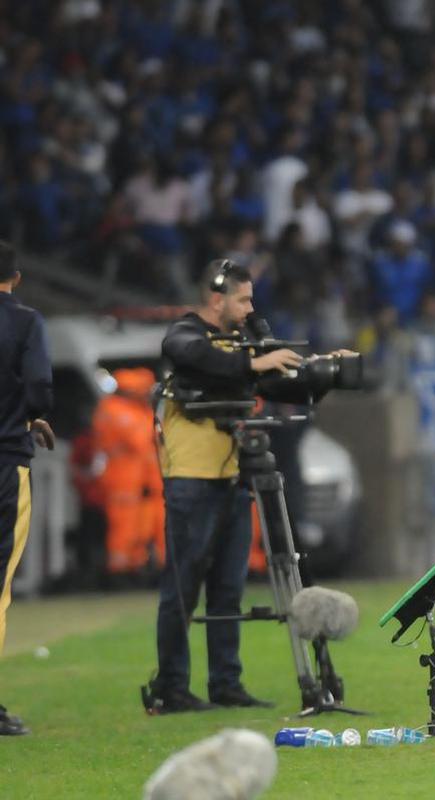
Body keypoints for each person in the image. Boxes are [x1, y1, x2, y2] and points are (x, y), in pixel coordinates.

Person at [144, 259, 304, 713]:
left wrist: (325, 370)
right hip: (191, 476)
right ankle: (171, 686)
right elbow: (195, 357)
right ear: (217, 298)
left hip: (235, 475)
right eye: (243, 299)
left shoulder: (241, 344)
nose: (251, 308)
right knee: (183, 587)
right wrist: (254, 361)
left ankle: (225, 682)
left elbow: (272, 377)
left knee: (228, 587)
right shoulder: (185, 334)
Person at [0, 241, 55, 736]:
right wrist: (32, 414)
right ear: (15, 278)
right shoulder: (24, 321)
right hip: (5, 461)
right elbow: (38, 385)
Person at [92, 368, 164, 578]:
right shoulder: (115, 409)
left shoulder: (139, 410)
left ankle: (138, 567)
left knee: (143, 526)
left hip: (141, 480)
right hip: (122, 479)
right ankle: (119, 572)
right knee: (124, 526)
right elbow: (140, 441)